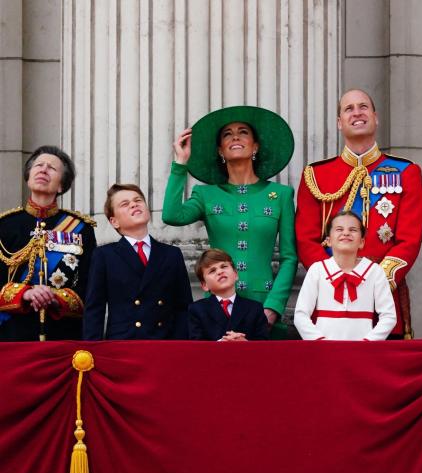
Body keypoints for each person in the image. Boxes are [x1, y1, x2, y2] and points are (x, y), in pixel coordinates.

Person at [295, 89, 422, 339]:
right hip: (328, 300)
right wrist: (330, 277)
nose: (357, 113)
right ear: (339, 123)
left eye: (363, 107)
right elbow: (305, 238)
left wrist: (374, 282)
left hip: (382, 297)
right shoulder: (316, 175)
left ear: (375, 117)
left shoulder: (406, 171)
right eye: (348, 109)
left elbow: (409, 240)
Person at [163, 105, 297, 338]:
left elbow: (289, 257)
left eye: (243, 131)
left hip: (263, 303)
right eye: (227, 134)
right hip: (217, 307)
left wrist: (274, 306)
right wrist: (180, 164)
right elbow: (172, 215)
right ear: (220, 151)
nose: (235, 136)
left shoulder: (280, 194)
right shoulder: (206, 195)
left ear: (255, 146)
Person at [0, 146, 97, 341]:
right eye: (39, 165)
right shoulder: (5, 225)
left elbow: (90, 286)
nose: (44, 169)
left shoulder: (81, 228)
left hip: (63, 334)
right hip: (12, 333)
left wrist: (54, 297)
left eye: (52, 168)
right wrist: (25, 294)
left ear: (62, 185)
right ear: (28, 177)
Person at [83, 184, 192, 340]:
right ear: (114, 221)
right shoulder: (104, 255)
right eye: (125, 204)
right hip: (122, 345)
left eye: (138, 200)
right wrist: (91, 351)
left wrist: (181, 346)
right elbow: (95, 308)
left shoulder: (171, 254)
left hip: (165, 344)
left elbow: (184, 307)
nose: (134, 204)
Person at [294, 212, 396, 341]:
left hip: (363, 351)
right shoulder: (317, 270)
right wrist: (319, 341)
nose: (346, 233)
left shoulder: (375, 271)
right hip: (323, 350)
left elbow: (389, 316)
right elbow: (301, 314)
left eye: (353, 230)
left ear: (362, 242)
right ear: (329, 240)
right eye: (339, 229)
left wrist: (369, 342)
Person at [188, 249, 270, 341]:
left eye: (224, 266)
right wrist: (222, 344)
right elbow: (196, 346)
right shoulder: (197, 310)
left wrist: (246, 344)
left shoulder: (255, 308)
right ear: (205, 285)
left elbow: (263, 345)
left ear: (236, 274)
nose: (220, 272)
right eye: (212, 271)